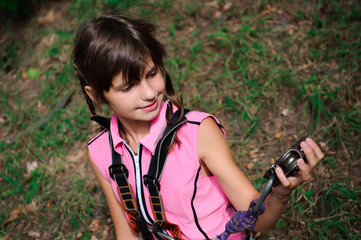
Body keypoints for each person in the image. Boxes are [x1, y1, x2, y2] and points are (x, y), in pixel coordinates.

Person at [71, 14, 324, 240]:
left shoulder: (198, 132)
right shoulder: (102, 152)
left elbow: (258, 220)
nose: (149, 93)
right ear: (96, 95)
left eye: (151, 74)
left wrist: (279, 194)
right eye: (127, 87)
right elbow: (127, 231)